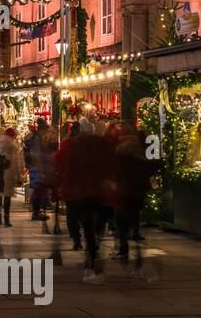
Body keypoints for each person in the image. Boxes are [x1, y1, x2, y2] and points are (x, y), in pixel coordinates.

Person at [55, 118, 112, 283]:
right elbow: (110, 165)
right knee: (94, 227)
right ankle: (93, 254)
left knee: (83, 223)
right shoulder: (103, 145)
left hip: (77, 191)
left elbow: (60, 166)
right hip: (97, 191)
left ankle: (87, 254)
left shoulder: (70, 146)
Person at [111, 123, 156, 265]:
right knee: (135, 214)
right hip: (138, 190)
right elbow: (149, 169)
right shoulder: (140, 153)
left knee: (121, 221)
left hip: (124, 190)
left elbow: (116, 172)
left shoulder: (119, 153)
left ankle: (123, 249)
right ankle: (135, 233)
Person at [0, 125, 25, 228]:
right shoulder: (13, 144)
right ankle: (6, 218)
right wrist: (19, 176)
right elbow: (16, 161)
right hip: (9, 171)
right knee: (7, 196)